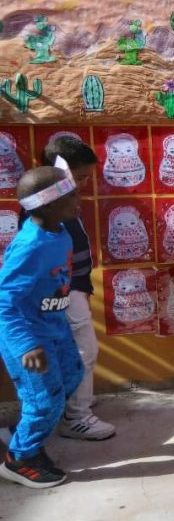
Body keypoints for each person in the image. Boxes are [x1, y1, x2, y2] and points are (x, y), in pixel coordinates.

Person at [0, 167, 83, 488]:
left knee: (72, 375)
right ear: (48, 205)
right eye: (71, 195)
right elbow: (5, 301)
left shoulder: (57, 229)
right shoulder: (30, 245)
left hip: (54, 328)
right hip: (28, 338)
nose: (80, 200)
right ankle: (20, 458)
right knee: (45, 401)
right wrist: (26, 346)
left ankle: (26, 429)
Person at [41, 136, 115, 440]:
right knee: (84, 351)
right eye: (82, 176)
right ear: (62, 170)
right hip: (62, 291)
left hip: (73, 287)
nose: (85, 183)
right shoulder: (49, 201)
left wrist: (82, 285)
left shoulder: (61, 198)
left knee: (74, 350)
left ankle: (74, 402)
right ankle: (77, 416)